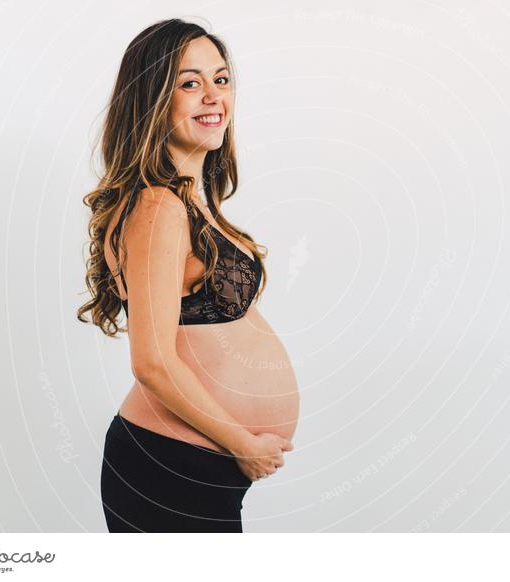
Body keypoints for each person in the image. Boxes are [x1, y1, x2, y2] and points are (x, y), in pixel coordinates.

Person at [76, 18, 300, 532]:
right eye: (189, 83)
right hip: (171, 470)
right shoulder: (158, 206)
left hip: (192, 467)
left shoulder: (186, 201)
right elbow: (152, 362)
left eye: (221, 80)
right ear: (152, 99)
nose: (213, 97)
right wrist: (242, 443)